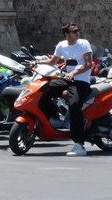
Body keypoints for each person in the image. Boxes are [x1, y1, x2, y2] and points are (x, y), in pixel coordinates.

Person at [40, 23, 94, 157]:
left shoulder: (83, 44)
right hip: (67, 79)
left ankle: (79, 144)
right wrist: (36, 63)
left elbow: (88, 64)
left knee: (74, 105)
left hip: (81, 82)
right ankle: (54, 118)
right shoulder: (61, 45)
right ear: (67, 34)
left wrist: (73, 73)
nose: (77, 33)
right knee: (43, 90)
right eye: (74, 31)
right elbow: (53, 62)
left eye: (77, 31)